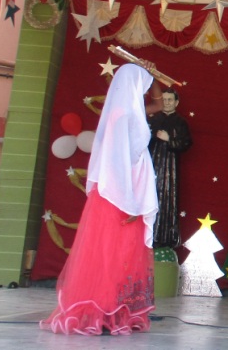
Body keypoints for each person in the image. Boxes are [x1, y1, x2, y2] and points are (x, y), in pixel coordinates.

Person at [42, 63, 162, 335]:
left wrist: (152, 75)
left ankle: (118, 312)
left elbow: (158, 103)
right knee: (110, 256)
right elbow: (116, 164)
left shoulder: (133, 111)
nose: (146, 90)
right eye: (142, 84)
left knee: (125, 257)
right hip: (119, 197)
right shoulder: (121, 116)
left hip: (131, 194)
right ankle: (100, 312)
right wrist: (129, 202)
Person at [147, 87, 192, 248]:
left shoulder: (180, 123)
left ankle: (165, 239)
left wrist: (169, 139)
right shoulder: (152, 120)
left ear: (176, 102)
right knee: (148, 197)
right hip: (151, 166)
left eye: (170, 100)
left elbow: (185, 143)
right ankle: (146, 237)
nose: (166, 103)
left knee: (167, 199)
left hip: (169, 169)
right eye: (164, 100)